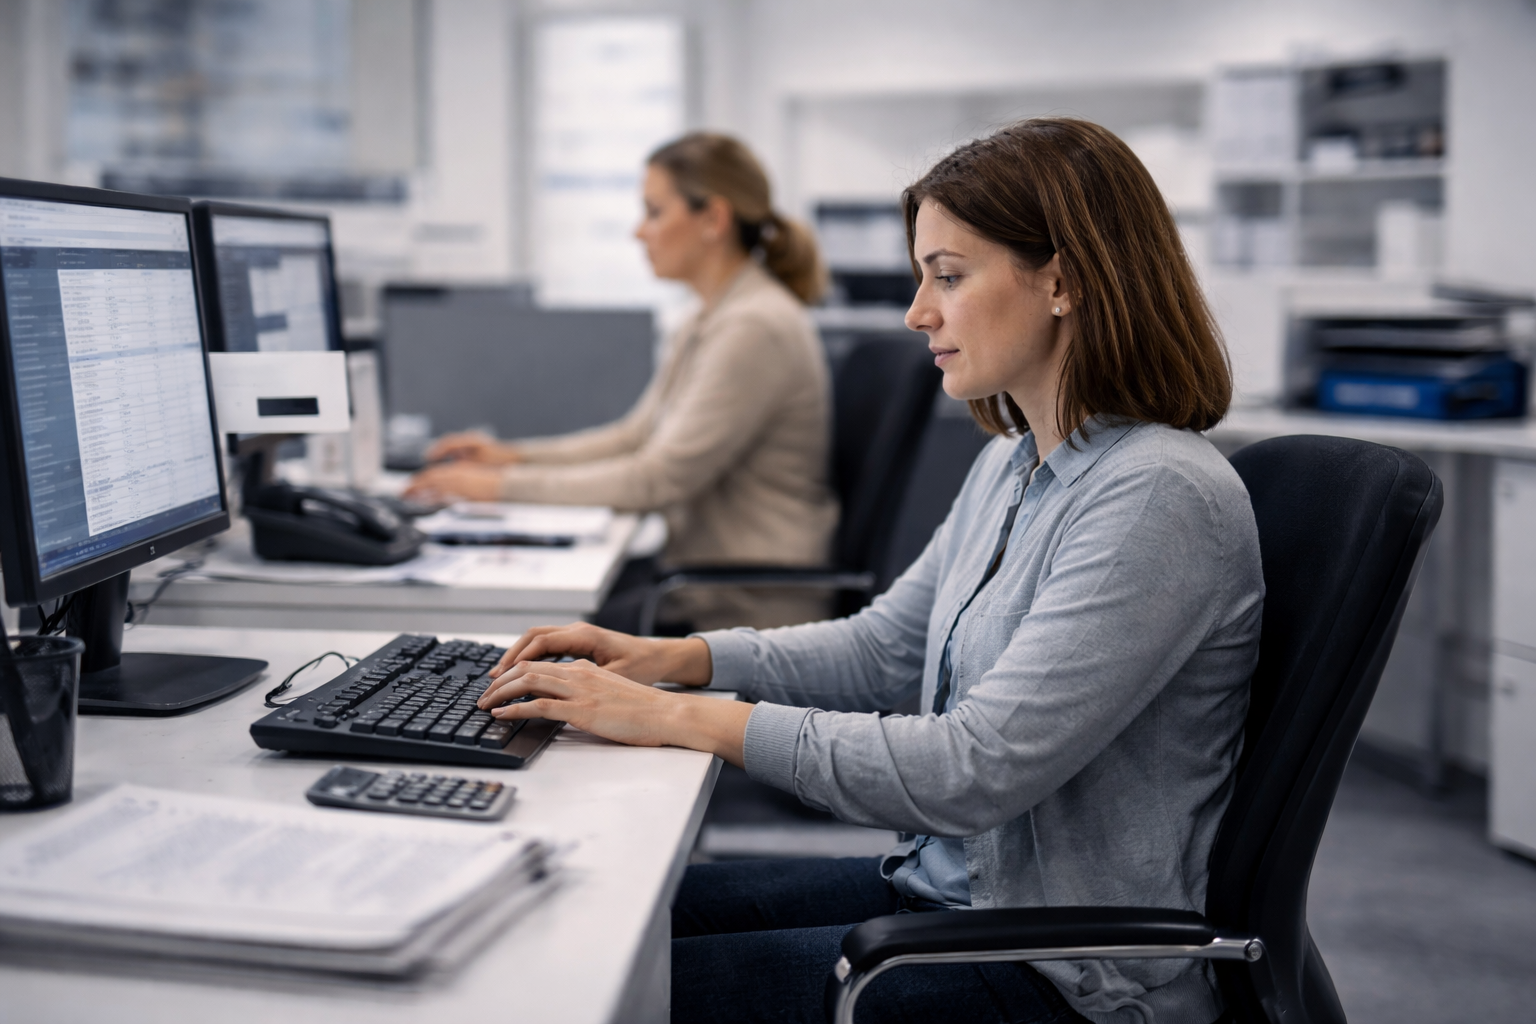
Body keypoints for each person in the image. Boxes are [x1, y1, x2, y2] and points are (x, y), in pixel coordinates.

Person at [474, 118, 1263, 1024]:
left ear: (1064, 280)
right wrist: (675, 658)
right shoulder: (1018, 461)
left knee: (582, 990)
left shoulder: (1156, 496)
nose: (918, 311)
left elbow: (968, 772)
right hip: (954, 900)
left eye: (949, 275)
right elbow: (889, 647)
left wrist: (674, 718)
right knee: (583, 919)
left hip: (1059, 969)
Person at [405, 133, 837, 632]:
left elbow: (657, 478)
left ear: (713, 220)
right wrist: (512, 457)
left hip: (744, 611)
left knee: (527, 641)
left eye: (654, 212)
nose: (639, 232)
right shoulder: (710, 317)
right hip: (704, 590)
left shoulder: (753, 327)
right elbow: (635, 438)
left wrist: (497, 488)